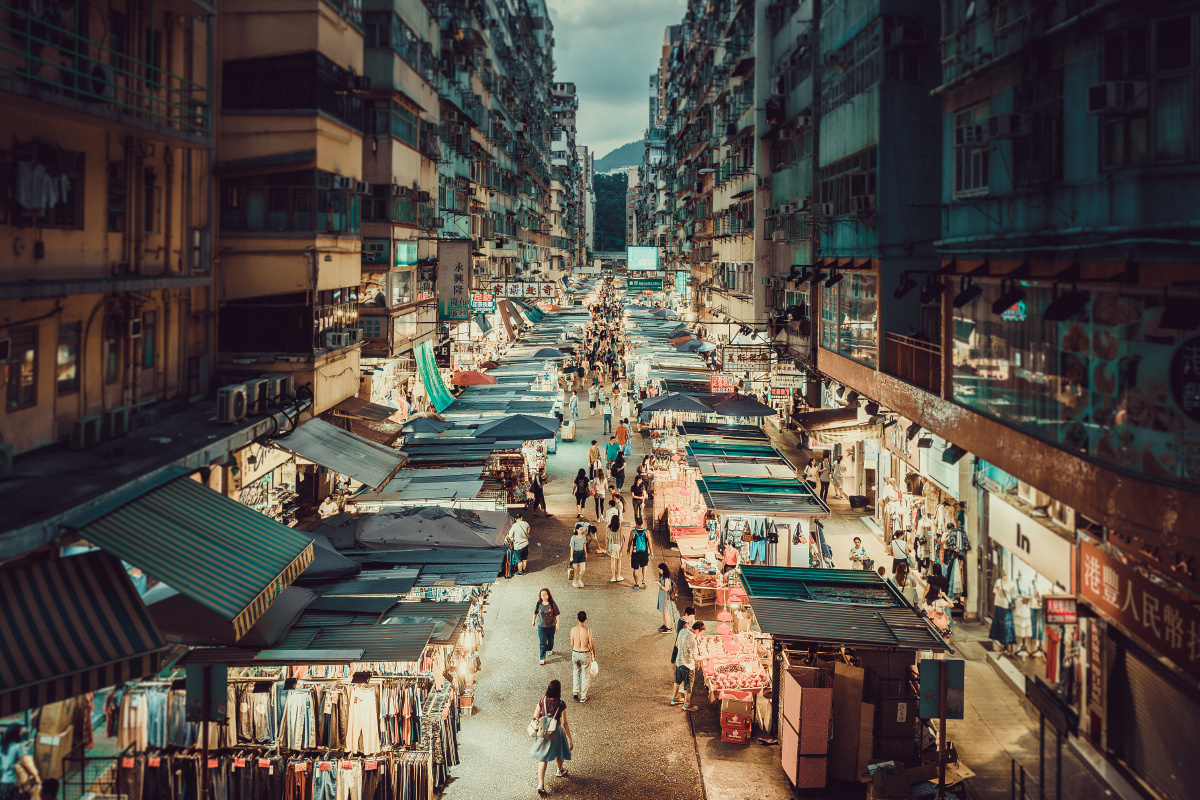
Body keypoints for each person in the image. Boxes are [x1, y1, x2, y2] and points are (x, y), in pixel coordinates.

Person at [529, 680, 573, 796]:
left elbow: (535, 716)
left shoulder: (542, 700)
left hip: (544, 732)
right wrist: (570, 738)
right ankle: (560, 770)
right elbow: (564, 722)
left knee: (542, 758)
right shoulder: (561, 704)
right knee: (560, 751)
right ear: (558, 691)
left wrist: (544, 721)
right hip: (556, 732)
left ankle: (540, 784)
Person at [669, 620, 706, 710]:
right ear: (697, 630)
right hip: (687, 665)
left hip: (679, 661)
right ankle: (687, 704)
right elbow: (695, 658)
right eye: (701, 633)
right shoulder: (692, 640)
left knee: (677, 681)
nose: (700, 635)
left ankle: (674, 699)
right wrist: (706, 656)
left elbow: (677, 644)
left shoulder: (683, 631)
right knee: (688, 685)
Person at [569, 611, 597, 702]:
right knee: (585, 675)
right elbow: (591, 644)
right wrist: (594, 652)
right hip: (585, 653)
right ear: (586, 619)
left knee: (576, 672)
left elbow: (572, 643)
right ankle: (582, 696)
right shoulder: (588, 630)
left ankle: (575, 691)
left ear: (577, 619)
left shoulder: (573, 630)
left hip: (575, 653)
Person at [532, 588, 560, 665]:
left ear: (548, 595)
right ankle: (542, 658)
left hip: (551, 625)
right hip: (541, 626)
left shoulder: (552, 603)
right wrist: (533, 620)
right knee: (542, 642)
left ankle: (550, 648)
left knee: (550, 640)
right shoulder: (539, 603)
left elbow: (557, 614)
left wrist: (557, 624)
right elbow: (535, 612)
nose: (543, 596)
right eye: (542, 595)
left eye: (545, 594)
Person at [605, 500, 626, 583]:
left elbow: (606, 538)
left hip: (611, 545)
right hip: (618, 545)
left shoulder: (608, 528)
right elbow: (621, 538)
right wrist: (623, 547)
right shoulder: (620, 528)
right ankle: (618, 576)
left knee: (612, 560)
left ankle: (613, 576)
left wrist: (606, 547)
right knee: (619, 560)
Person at [628, 522, 653, 589]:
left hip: (635, 553)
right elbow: (650, 543)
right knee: (644, 566)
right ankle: (644, 579)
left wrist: (628, 550)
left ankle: (636, 584)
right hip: (644, 553)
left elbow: (630, 542)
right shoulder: (646, 532)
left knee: (635, 568)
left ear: (636, 524)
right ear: (642, 523)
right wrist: (651, 552)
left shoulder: (633, 532)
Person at [655, 563, 674, 632]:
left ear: (663, 570)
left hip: (665, 598)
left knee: (666, 612)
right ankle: (665, 625)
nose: (659, 571)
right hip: (662, 596)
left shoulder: (666, 579)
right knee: (663, 612)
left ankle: (668, 628)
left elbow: (666, 589)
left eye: (660, 569)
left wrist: (659, 584)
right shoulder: (662, 577)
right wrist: (658, 581)